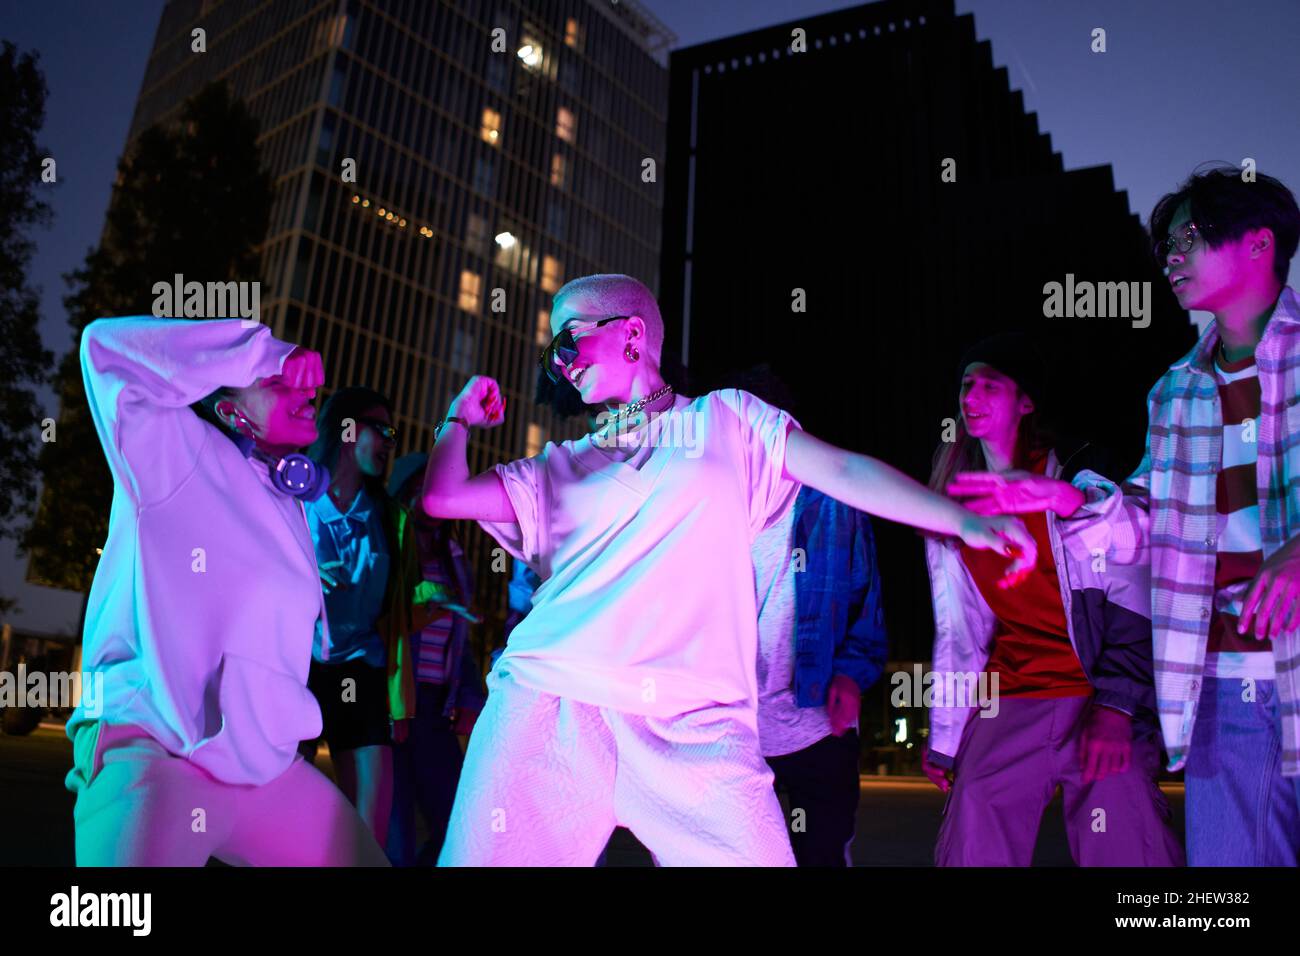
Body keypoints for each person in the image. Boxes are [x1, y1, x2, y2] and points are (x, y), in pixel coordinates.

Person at [422, 273, 1036, 866]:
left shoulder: (728, 420)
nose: (560, 363)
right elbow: (442, 498)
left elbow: (844, 472)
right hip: (545, 707)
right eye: (551, 352)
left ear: (632, 334)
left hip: (698, 727)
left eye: (568, 340)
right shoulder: (558, 466)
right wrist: (457, 420)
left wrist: (963, 520)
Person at [976, 168, 1300, 866]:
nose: (1171, 257)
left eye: (1189, 238)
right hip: (1223, 680)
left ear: (1258, 243)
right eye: (1167, 246)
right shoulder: (1175, 392)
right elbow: (1155, 519)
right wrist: (1075, 503)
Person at [65, 316, 387, 866]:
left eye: (298, 381)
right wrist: (259, 352)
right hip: (157, 758)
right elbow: (105, 349)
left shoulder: (289, 499)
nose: (304, 387)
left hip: (266, 772)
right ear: (231, 408)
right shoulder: (175, 453)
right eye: (273, 383)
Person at [921, 333, 1183, 866]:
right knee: (974, 812)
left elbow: (1134, 591)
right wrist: (945, 737)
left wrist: (1116, 707)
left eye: (989, 383)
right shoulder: (954, 496)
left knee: (1120, 809)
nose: (971, 393)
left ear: (1026, 402)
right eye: (966, 383)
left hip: (1092, 691)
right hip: (1015, 695)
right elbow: (959, 633)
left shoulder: (1076, 475)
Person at [737, 367, 887, 867]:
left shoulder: (833, 501)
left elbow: (868, 607)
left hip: (816, 729)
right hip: (731, 730)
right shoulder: (711, 504)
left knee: (821, 855)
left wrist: (848, 675)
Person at [302, 386, 399, 846]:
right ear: (345, 429)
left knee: (370, 822)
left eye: (391, 432)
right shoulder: (294, 501)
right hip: (296, 668)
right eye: (379, 428)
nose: (388, 440)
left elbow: (399, 603)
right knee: (279, 808)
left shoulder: (388, 517)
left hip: (362, 667)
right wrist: (300, 572)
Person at [384, 452, 486, 866]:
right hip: (388, 700)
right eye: (424, 490)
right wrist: (423, 605)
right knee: (394, 824)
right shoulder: (387, 544)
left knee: (457, 820)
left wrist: (467, 694)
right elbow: (378, 620)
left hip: (435, 704)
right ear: (408, 492)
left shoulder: (454, 557)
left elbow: (461, 639)